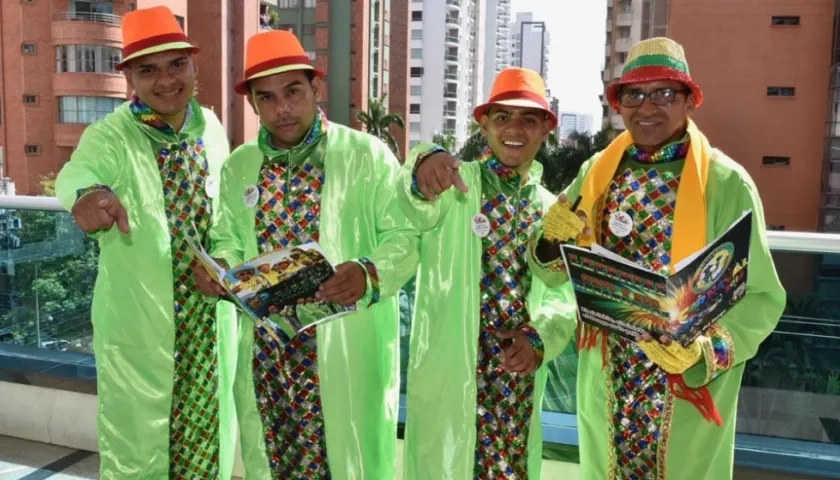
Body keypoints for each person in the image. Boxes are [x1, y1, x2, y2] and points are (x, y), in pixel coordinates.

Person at [531, 37, 786, 479]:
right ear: (620, 104)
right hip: (608, 379)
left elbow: (762, 296)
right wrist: (552, 240)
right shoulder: (596, 173)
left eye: (664, 93)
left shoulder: (728, 183)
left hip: (683, 386)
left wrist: (707, 349)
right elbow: (553, 274)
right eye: (635, 94)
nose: (647, 107)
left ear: (689, 100)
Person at [194, 30, 420, 479]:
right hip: (267, 353)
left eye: (293, 92)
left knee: (349, 460)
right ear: (254, 104)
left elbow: (406, 235)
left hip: (343, 348)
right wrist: (220, 270)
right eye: (267, 97)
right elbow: (227, 238)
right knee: (274, 461)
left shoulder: (366, 156)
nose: (282, 109)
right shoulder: (240, 166)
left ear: (315, 89)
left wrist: (369, 273)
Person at [54, 6, 237, 479]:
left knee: (206, 446)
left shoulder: (212, 130)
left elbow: (228, 218)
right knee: (139, 453)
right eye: (148, 70)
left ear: (194, 66)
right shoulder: (111, 135)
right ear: (131, 77)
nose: (167, 80)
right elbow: (81, 172)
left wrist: (224, 259)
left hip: (206, 324)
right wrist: (87, 195)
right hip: (141, 327)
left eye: (177, 64)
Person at [397, 67, 577, 479]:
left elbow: (564, 294)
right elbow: (409, 206)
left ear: (546, 128)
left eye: (529, 119)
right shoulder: (454, 185)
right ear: (484, 124)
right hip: (451, 370)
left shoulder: (553, 210)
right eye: (502, 117)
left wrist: (538, 337)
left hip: (515, 380)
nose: (514, 129)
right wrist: (422, 163)